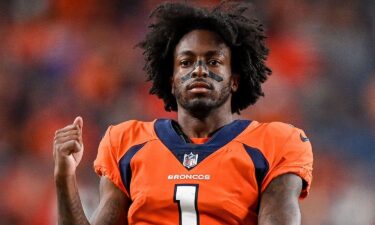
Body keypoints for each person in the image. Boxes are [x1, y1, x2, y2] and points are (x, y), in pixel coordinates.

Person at [53, 2, 313, 225]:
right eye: (186, 62)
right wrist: (65, 177)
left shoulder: (276, 144)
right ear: (171, 80)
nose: (199, 70)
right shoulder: (125, 142)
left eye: (213, 61)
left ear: (234, 79)